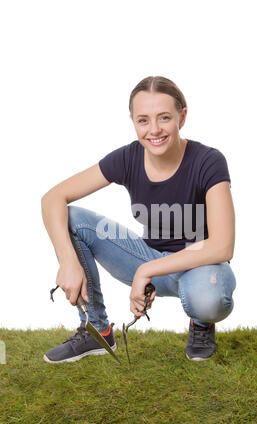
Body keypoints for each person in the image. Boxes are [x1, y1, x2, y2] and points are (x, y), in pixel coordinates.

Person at [41, 75, 236, 364]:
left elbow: (222, 246)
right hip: (145, 258)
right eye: (143, 120)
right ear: (133, 121)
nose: (154, 130)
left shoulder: (208, 161)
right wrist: (69, 261)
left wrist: (147, 270)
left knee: (209, 298)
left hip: (198, 265)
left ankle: (202, 323)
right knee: (70, 219)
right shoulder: (129, 158)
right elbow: (52, 198)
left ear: (182, 117)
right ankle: (97, 329)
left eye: (164, 117)